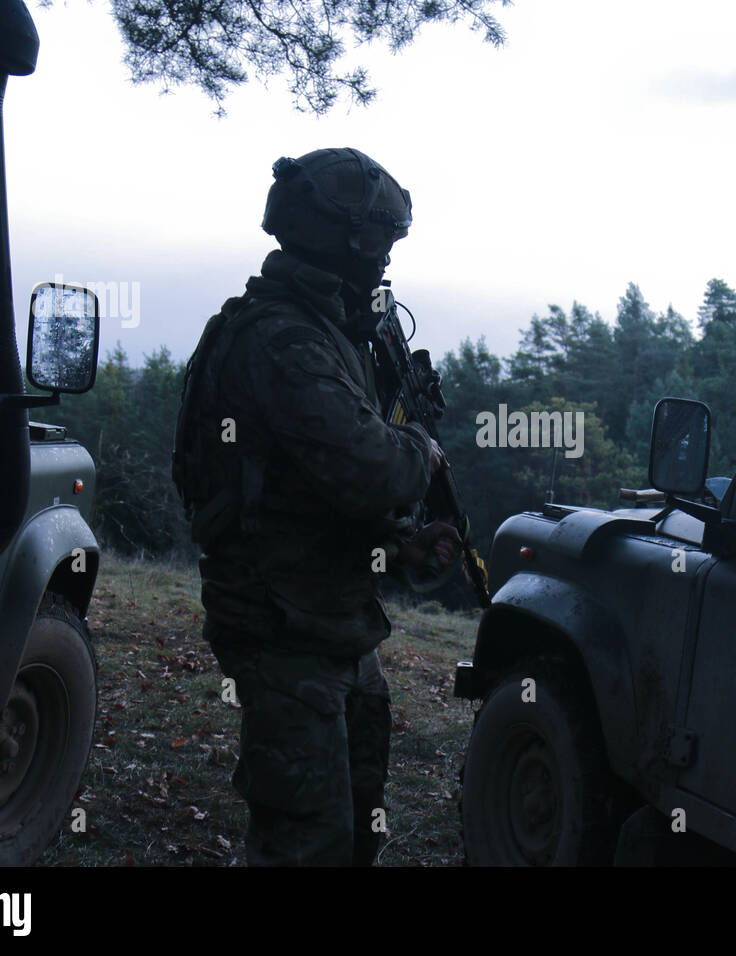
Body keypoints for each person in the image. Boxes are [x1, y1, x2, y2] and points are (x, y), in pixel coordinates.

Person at [173, 147, 460, 866]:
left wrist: (399, 547)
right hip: (281, 631)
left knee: (358, 828)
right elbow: (367, 469)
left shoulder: (327, 333)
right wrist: (417, 449)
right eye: (380, 243)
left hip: (331, 625)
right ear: (344, 241)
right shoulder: (285, 340)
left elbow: (309, 494)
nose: (385, 260)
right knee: (304, 842)